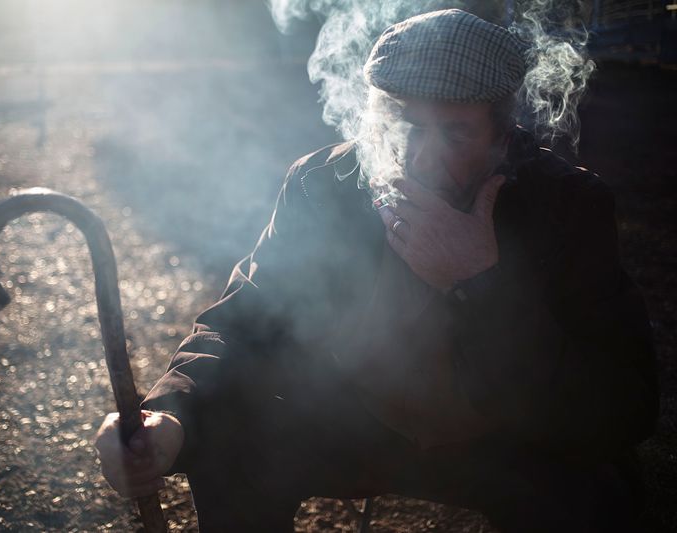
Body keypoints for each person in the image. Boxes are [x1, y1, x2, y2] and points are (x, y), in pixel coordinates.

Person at [94, 9, 658, 532]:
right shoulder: (325, 183)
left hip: (507, 442)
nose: (420, 156)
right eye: (404, 122)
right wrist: (168, 417)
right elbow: (245, 320)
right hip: (355, 423)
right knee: (224, 442)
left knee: (595, 495)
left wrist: (478, 281)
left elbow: (621, 407)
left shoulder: (564, 204)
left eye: (456, 132)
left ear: (501, 135)